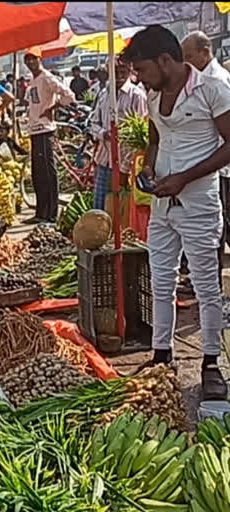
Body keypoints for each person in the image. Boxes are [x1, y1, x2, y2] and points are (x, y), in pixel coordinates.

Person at [122, 25, 230, 400]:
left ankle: (211, 361)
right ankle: (161, 353)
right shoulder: (153, 95)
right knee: (160, 280)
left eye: (143, 69)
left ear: (165, 60)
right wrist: (148, 168)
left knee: (205, 286)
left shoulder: (212, 90)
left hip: (199, 204)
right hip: (162, 204)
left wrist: (184, 178)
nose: (139, 78)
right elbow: (155, 138)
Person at [182, 30, 230, 288]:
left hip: (220, 167)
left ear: (205, 52)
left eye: (189, 57)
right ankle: (204, 279)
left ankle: (210, 282)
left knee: (216, 227)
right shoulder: (200, 80)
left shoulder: (215, 81)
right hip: (213, 166)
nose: (186, 63)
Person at [24, 47, 76, 224]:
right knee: (37, 174)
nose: (30, 62)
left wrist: (53, 108)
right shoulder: (33, 80)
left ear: (40, 59)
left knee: (47, 172)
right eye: (27, 60)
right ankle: (41, 212)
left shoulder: (47, 78)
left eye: (33, 59)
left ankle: (52, 214)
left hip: (45, 130)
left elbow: (69, 95)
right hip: (34, 130)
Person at [88, 57, 148, 210]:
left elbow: (141, 135)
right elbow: (94, 123)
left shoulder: (137, 96)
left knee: (121, 210)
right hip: (104, 161)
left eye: (123, 71)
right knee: (100, 208)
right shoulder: (103, 94)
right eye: (116, 71)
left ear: (129, 71)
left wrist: (125, 168)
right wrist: (103, 134)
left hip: (125, 163)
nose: (120, 76)